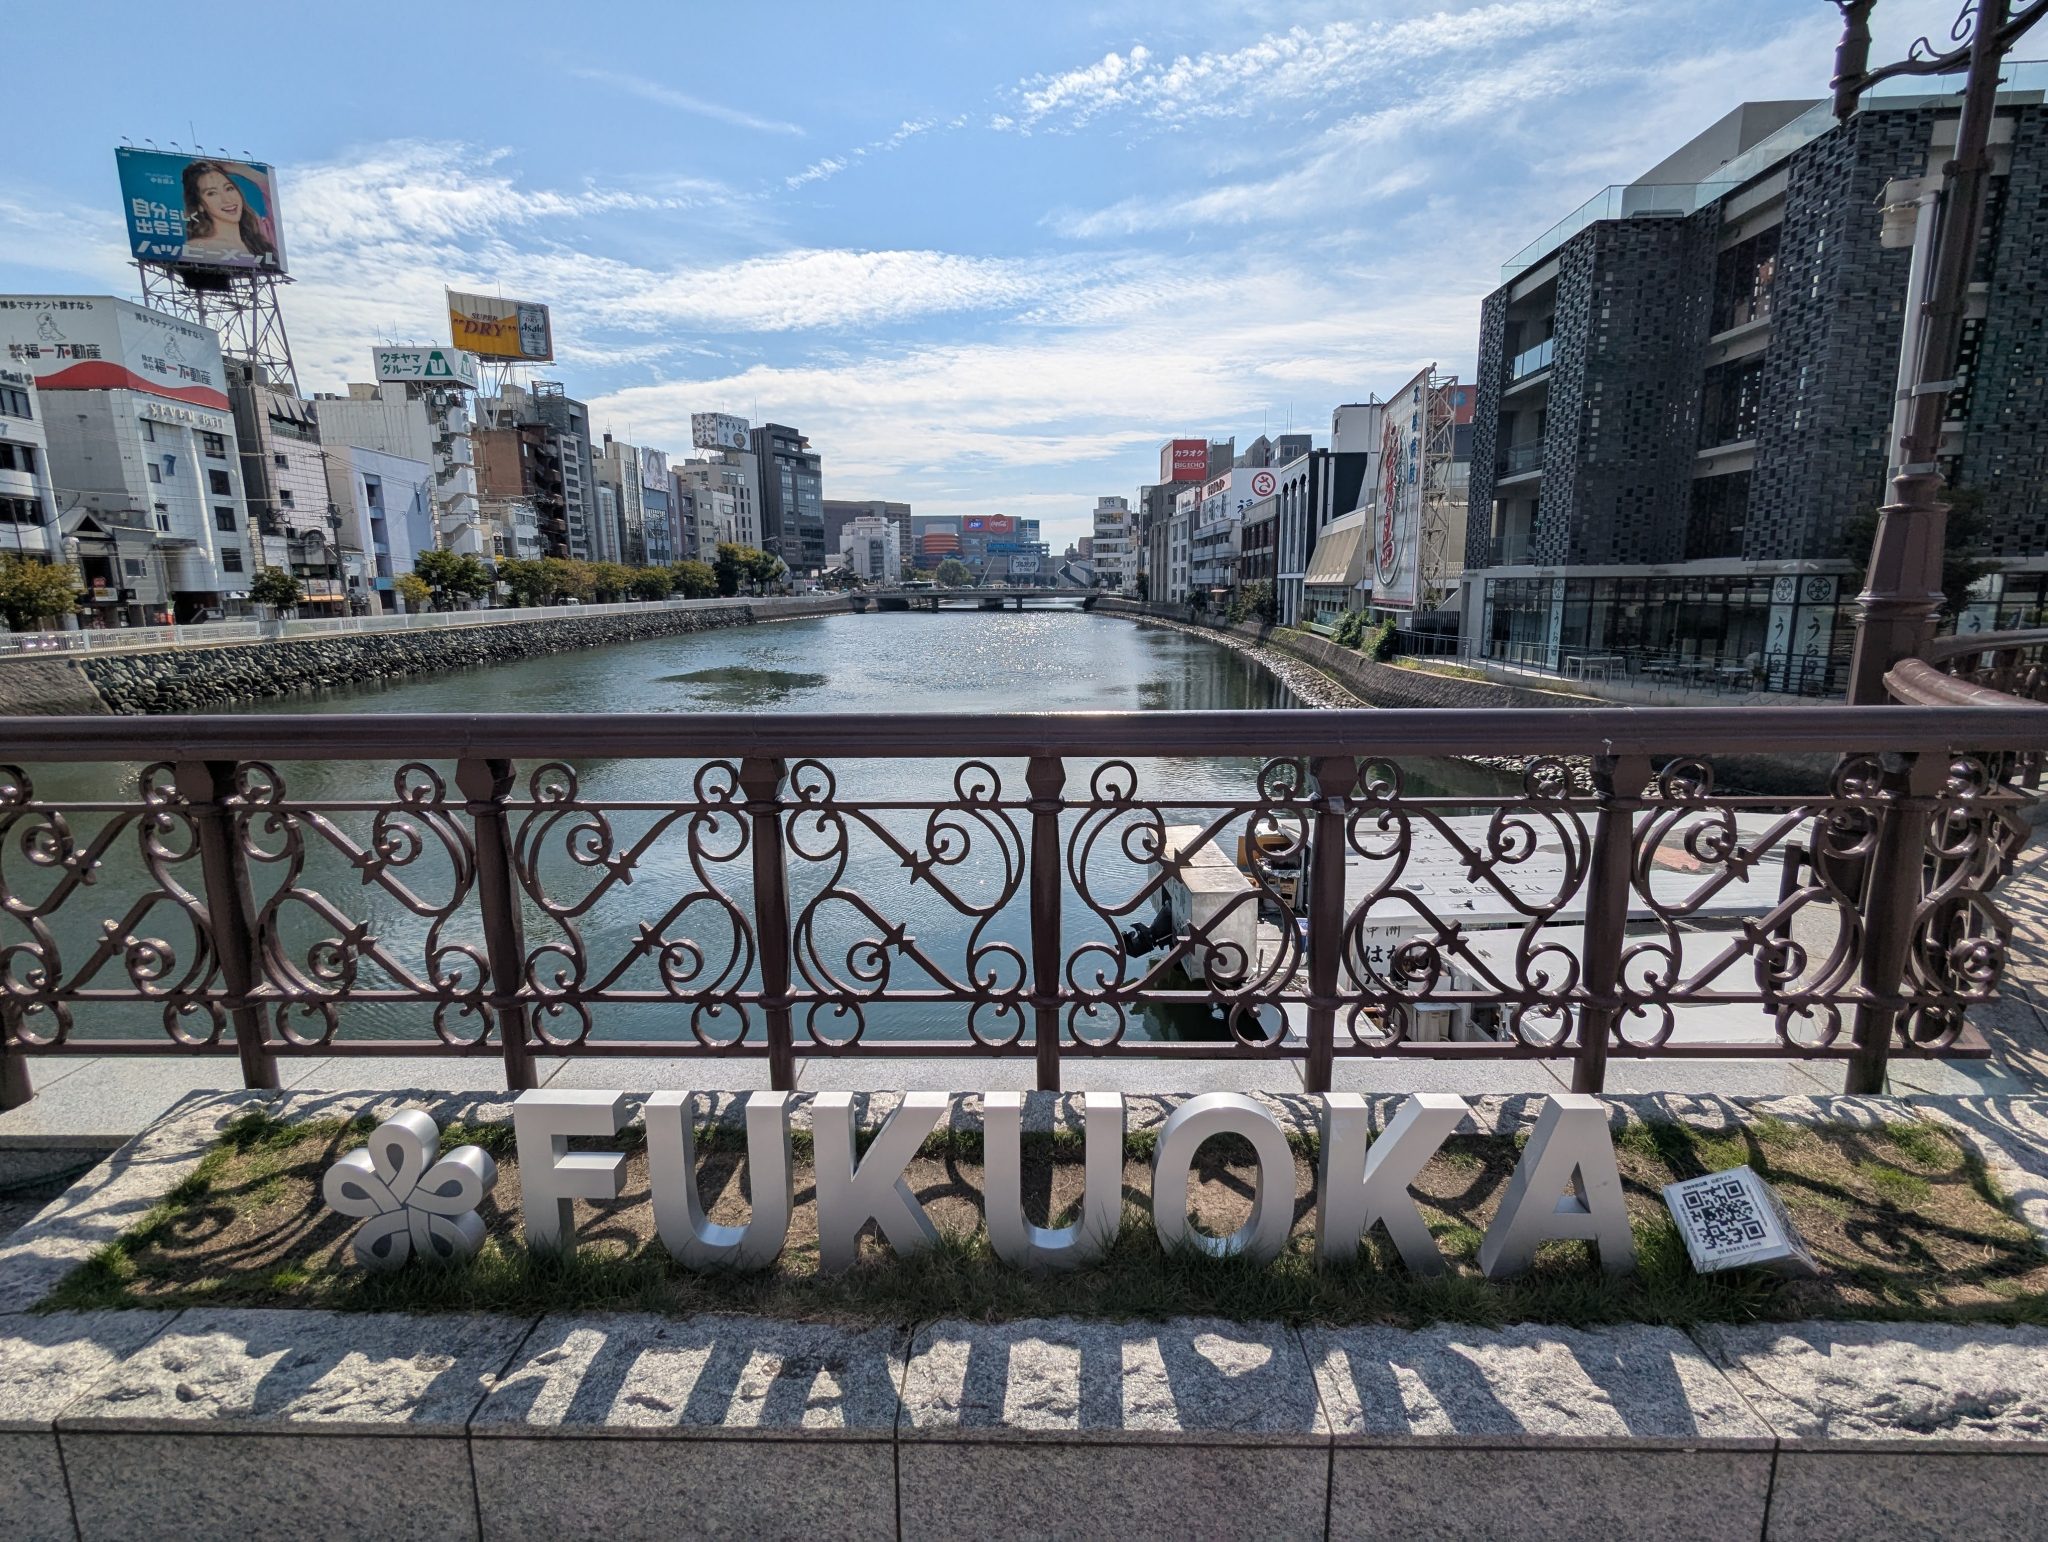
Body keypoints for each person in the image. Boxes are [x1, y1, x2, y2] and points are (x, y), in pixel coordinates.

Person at [179, 161, 277, 266]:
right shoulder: (197, 248)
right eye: (211, 193)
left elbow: (273, 194)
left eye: (229, 188)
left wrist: (244, 170)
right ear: (200, 205)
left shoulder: (260, 235)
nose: (227, 199)